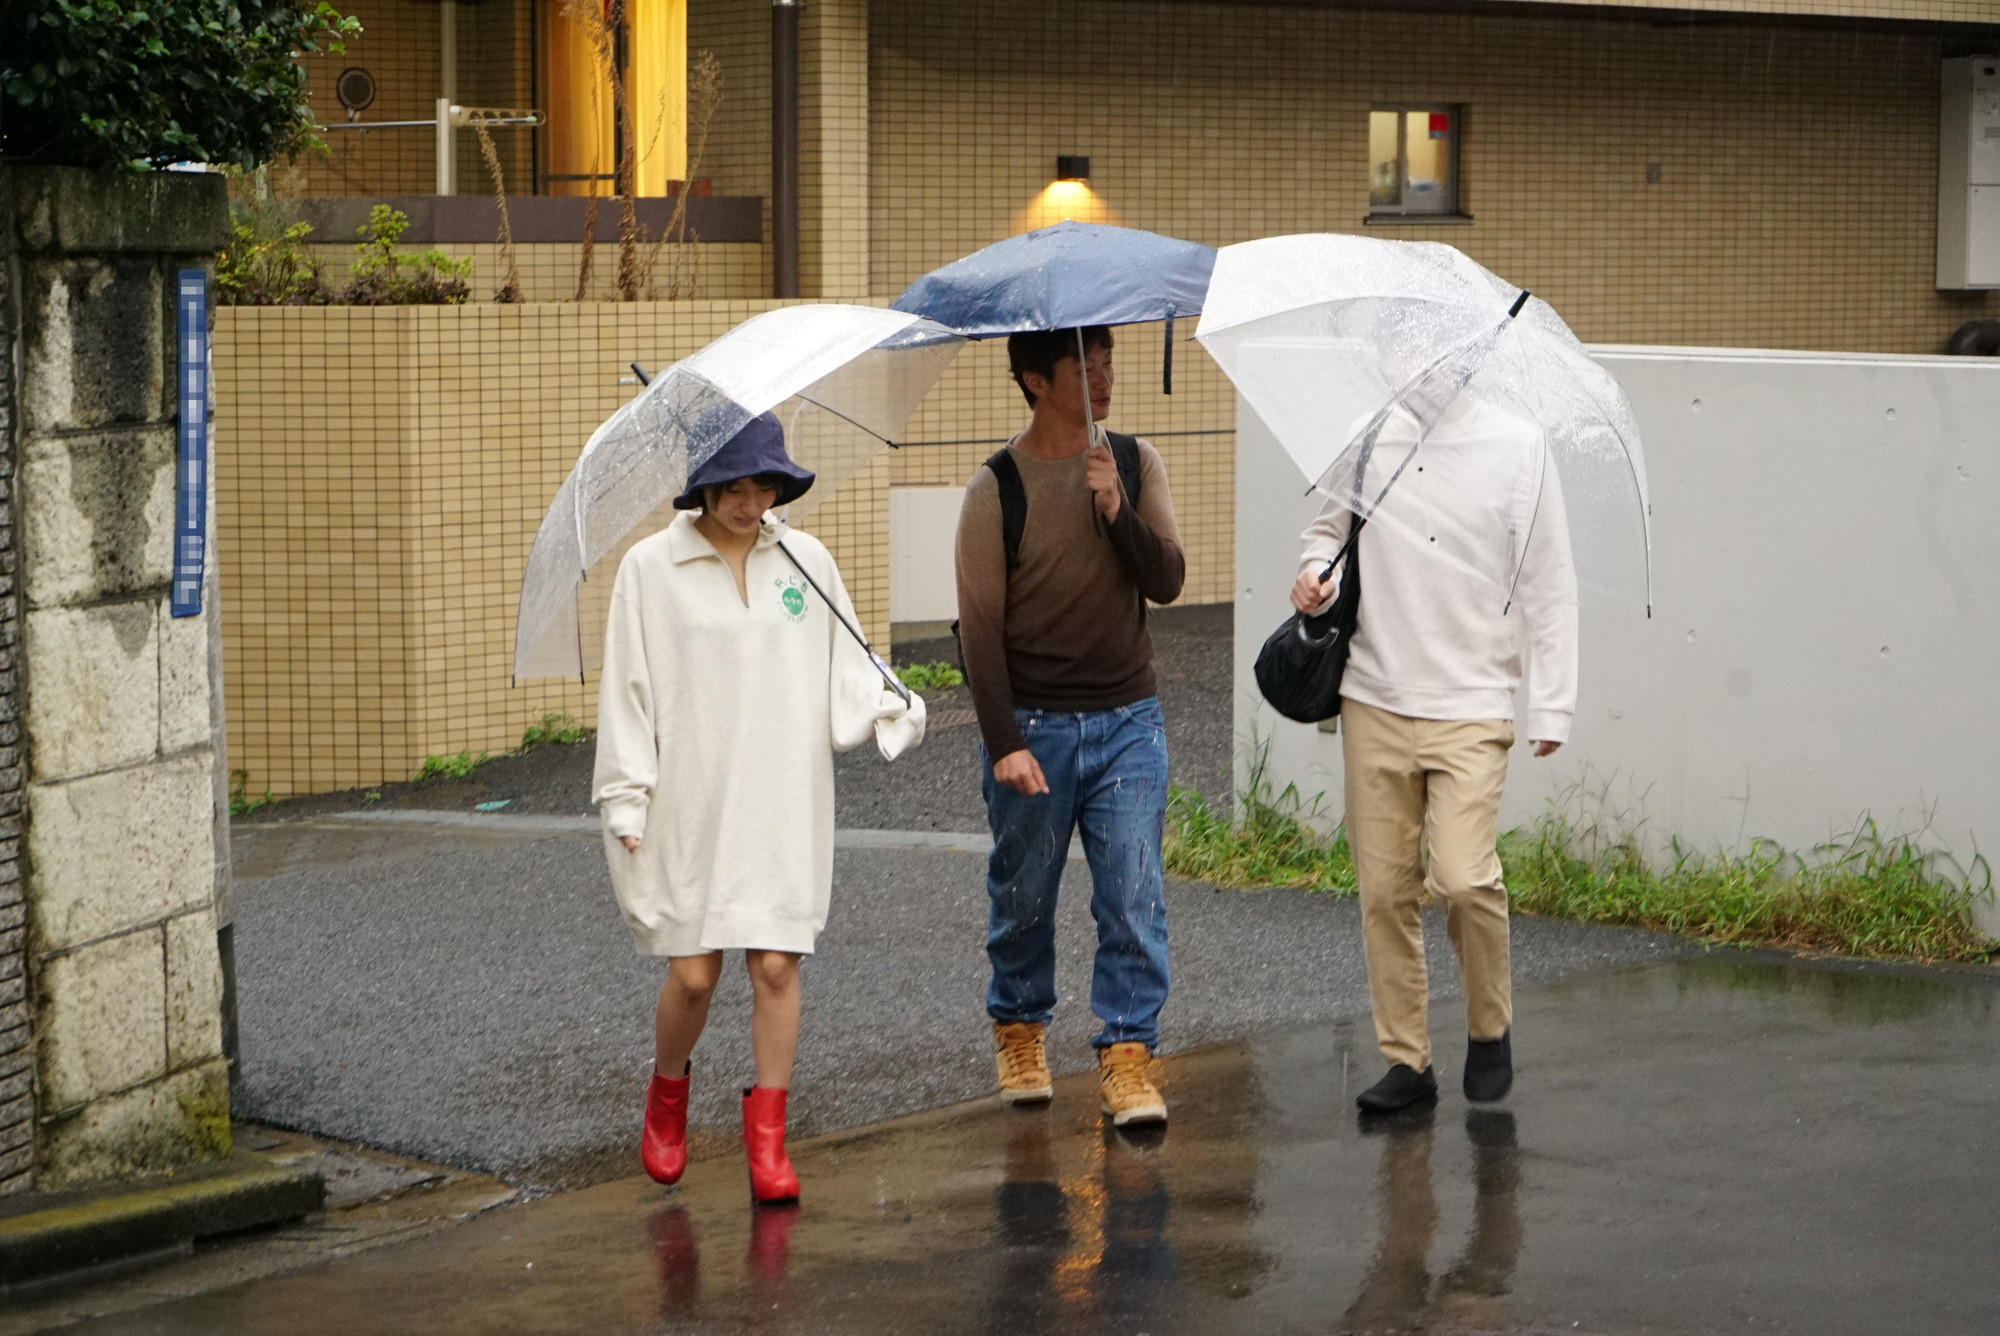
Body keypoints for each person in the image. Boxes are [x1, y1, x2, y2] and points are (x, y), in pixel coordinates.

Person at [594, 412, 926, 1202]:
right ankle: (667, 1092)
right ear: (702, 485)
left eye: (764, 484)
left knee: (776, 964)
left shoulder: (805, 562)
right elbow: (627, 691)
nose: (750, 502)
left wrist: (890, 704)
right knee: (695, 976)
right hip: (691, 798)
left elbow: (846, 660)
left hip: (782, 791)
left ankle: (770, 1143)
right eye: (733, 486)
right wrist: (626, 795)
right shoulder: (649, 569)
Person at [1291, 391, 1576, 1113]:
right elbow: (1325, 533)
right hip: (1373, 697)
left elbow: (1549, 580)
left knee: (1461, 877)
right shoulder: (1365, 432)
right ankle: (1406, 1062)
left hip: (1472, 702)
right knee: (1384, 892)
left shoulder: (1518, 444)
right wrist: (1316, 576)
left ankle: (1489, 1026)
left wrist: (1553, 702)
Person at [954, 326, 1186, 1127]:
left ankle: (1127, 1054)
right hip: (1034, 724)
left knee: (1133, 895)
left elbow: (1168, 581)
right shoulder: (996, 489)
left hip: (1127, 717)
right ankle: (1019, 1027)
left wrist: (1118, 512)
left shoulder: (1133, 460)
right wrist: (1003, 743)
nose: (1103, 379)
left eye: (1107, 363)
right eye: (1082, 370)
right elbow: (978, 630)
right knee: (1024, 896)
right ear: (1033, 381)